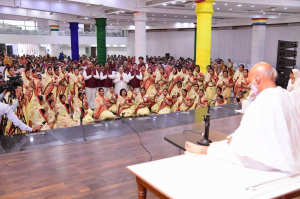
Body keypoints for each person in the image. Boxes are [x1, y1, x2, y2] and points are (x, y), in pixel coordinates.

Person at [185, 62, 300, 173]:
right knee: (229, 141)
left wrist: (235, 139)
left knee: (224, 148)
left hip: (272, 161)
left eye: (251, 82)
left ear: (257, 80)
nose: (251, 85)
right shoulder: (286, 95)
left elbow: (246, 139)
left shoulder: (261, 102)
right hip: (293, 155)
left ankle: (206, 150)